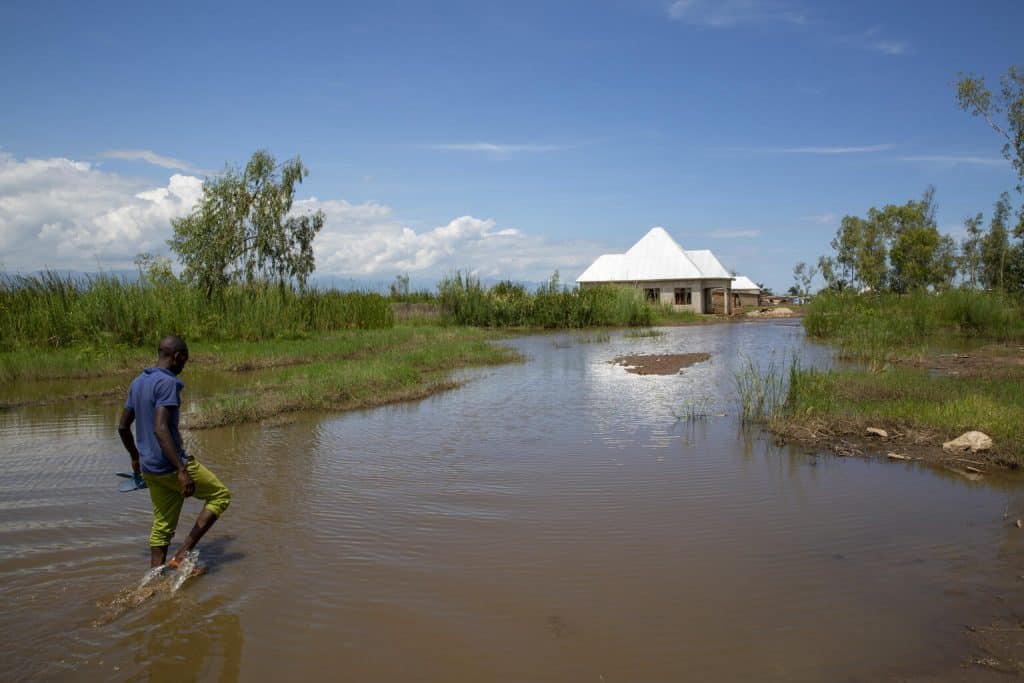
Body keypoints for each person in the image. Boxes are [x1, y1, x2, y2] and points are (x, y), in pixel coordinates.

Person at [118, 335, 231, 569]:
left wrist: (135, 458)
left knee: (162, 527)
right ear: (177, 357)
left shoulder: (138, 382)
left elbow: (122, 427)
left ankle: (154, 580)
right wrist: (181, 469)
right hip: (170, 465)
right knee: (220, 495)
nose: (183, 367)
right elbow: (160, 428)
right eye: (184, 361)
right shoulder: (168, 382)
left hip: (150, 469)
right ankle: (181, 556)